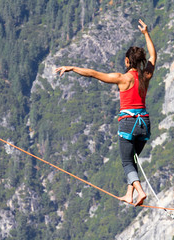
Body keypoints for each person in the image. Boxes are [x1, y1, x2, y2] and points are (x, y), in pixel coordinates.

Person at [55, 19, 156, 206]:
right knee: (132, 160)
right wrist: (146, 34)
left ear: (127, 61)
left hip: (128, 124)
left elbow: (93, 73)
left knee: (127, 162)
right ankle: (129, 194)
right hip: (144, 124)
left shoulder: (121, 78)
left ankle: (140, 191)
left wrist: (72, 68)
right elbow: (153, 55)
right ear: (140, 61)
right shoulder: (146, 76)